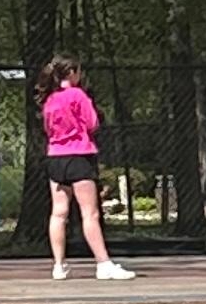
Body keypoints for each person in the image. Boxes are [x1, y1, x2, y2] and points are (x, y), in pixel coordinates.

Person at [37, 55, 135, 282]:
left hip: (55, 157)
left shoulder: (50, 100)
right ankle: (103, 264)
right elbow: (92, 123)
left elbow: (47, 129)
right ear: (71, 72)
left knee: (58, 213)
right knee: (89, 213)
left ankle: (59, 265)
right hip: (79, 155)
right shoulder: (78, 95)